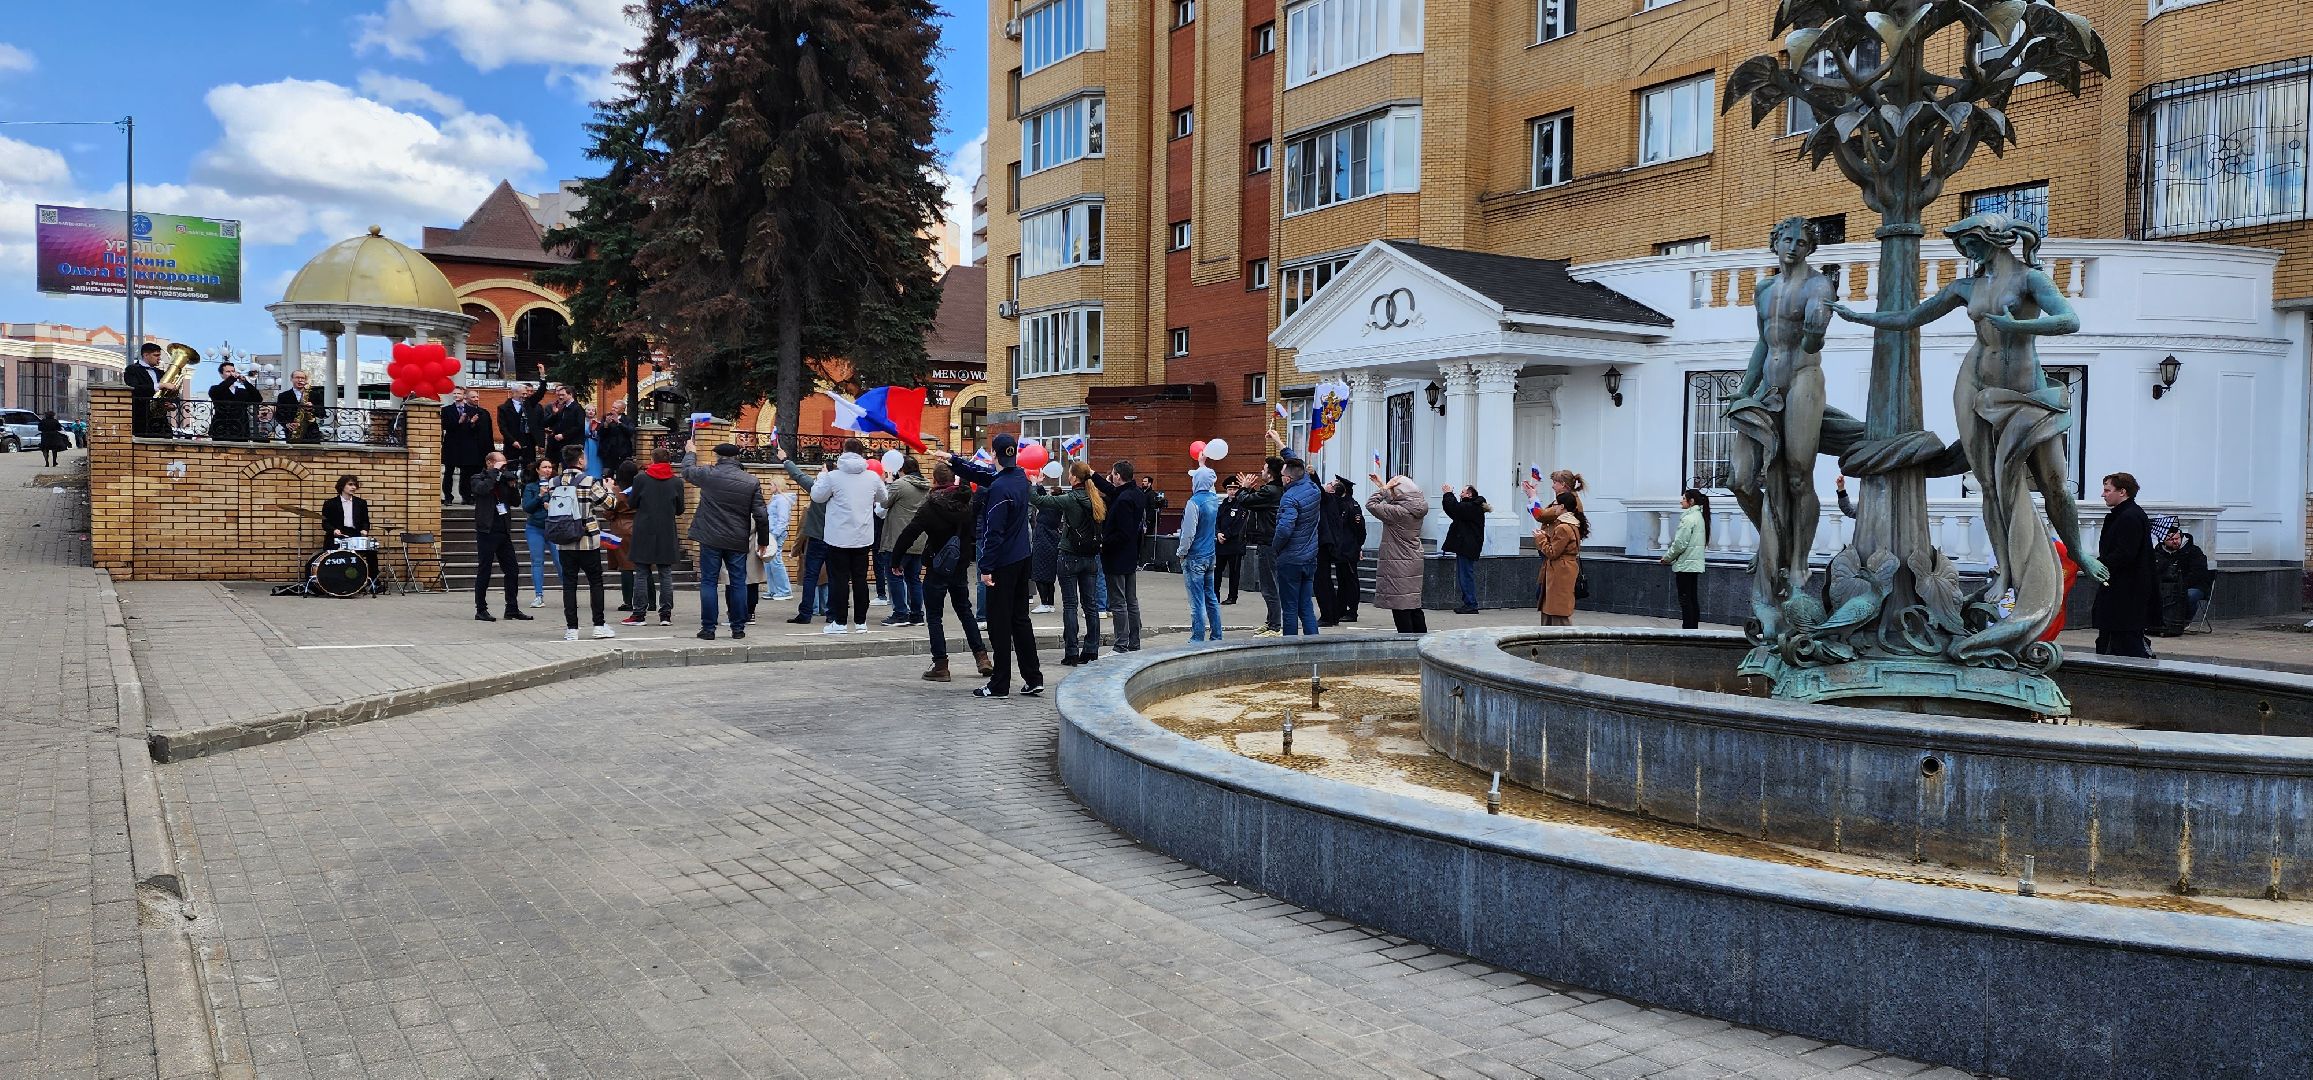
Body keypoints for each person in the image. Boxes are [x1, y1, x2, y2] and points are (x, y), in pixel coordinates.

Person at [1834, 212, 2104, 665]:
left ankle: (2077, 550)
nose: (1966, 253)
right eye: (1962, 246)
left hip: (2025, 391)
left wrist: (2019, 327)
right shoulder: (1967, 288)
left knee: (2055, 481)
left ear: (1994, 239)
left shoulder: (2029, 280)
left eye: (1971, 244)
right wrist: (1859, 316)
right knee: (1990, 484)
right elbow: (1910, 316)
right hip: (1973, 387)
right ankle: (2006, 573)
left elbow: (2069, 320)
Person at [943, 435, 1043, 698]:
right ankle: (1033, 677)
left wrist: (985, 568)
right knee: (1021, 620)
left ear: (994, 455)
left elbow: (994, 533)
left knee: (999, 624)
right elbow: (985, 475)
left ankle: (999, 684)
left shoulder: (999, 489)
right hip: (1023, 557)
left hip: (1004, 563)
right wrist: (953, 461)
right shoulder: (1019, 477)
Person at [892, 463, 993, 681]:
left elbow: (909, 533)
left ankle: (941, 665)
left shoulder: (930, 506)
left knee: (935, 616)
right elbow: (973, 534)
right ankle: (982, 657)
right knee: (965, 611)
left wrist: (896, 559)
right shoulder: (967, 503)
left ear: (935, 481)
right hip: (960, 565)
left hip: (938, 566)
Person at [681, 441, 770, 640]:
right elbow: (762, 515)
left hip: (710, 536)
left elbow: (687, 471)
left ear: (718, 457)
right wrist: (762, 541)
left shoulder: (708, 474)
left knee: (709, 582)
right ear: (737, 458)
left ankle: (708, 629)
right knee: (738, 582)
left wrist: (690, 453)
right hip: (737, 538)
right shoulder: (751, 481)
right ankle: (738, 628)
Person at [1031, 462, 1107, 664]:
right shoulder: (1096, 498)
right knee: (1090, 606)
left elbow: (1038, 500)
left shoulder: (1070, 499)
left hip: (1069, 555)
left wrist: (1034, 483)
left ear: (1074, 478)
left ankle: (1071, 652)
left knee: (1070, 605)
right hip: (1090, 557)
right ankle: (1091, 651)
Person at [811, 438, 887, 635]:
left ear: (843, 452)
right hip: (862, 536)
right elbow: (884, 498)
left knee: (839, 580)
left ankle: (840, 622)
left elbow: (817, 496)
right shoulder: (871, 477)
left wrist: (821, 477)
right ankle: (861, 622)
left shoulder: (833, 477)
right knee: (860, 580)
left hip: (837, 537)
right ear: (862, 454)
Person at [545, 446, 615, 640]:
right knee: (595, 581)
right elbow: (609, 504)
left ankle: (572, 629)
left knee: (569, 584)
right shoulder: (589, 481)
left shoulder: (554, 482)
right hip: (587, 539)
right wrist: (609, 490)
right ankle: (599, 625)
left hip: (564, 540)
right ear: (581, 461)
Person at [2093, 472, 2158, 657]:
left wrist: (2097, 565)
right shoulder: (2124, 515)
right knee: (2113, 638)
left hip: (2126, 593)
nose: (2103, 494)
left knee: (2126, 641)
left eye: (2107, 490)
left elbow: (2124, 554)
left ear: (2122, 492)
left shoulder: (2129, 516)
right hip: (2121, 591)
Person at [468, 452, 535, 623]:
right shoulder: (478, 477)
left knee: (512, 570)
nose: (503, 468)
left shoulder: (505, 479)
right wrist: (494, 474)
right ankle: (481, 609)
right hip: (486, 531)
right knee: (485, 570)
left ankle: (511, 608)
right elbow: (482, 490)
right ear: (489, 463)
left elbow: (515, 502)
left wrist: (512, 485)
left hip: (503, 532)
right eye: (500, 464)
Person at [624, 446, 685, 627]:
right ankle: (665, 615)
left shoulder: (641, 478)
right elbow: (680, 509)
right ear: (668, 461)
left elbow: (632, 502)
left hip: (644, 529)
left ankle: (639, 614)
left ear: (653, 459)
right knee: (665, 573)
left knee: (641, 572)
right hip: (666, 530)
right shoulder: (676, 482)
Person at [1269, 430, 1322, 636]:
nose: (1281, 478)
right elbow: (1295, 462)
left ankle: (1289, 648)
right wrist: (1279, 442)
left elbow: (1285, 529)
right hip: (1310, 558)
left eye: (1282, 476)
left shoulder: (1289, 498)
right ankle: (1314, 647)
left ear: (1288, 479)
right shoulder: (1311, 487)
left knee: (1289, 609)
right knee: (1306, 607)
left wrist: (1275, 549)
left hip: (1291, 559)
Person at [1364, 473, 1430, 634]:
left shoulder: (1399, 513)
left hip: (1398, 561)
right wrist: (1382, 486)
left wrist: (1384, 489)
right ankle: (1422, 641)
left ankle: (1406, 644)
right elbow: (1397, 501)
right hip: (1412, 559)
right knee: (1413, 605)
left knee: (1400, 606)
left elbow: (1371, 504)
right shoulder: (1416, 507)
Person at [776, 447, 835, 624]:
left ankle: (806, 613)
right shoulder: (841, 490)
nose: (820, 471)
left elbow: (799, 476)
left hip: (817, 538)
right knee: (834, 576)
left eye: (823, 468)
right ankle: (832, 613)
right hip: (836, 538)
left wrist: (785, 460)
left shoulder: (818, 489)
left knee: (811, 576)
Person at [1094, 461, 1146, 652]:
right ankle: (1134, 642)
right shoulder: (1135, 493)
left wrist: (1103, 542)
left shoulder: (1124, 500)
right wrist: (1092, 474)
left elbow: (1123, 533)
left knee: (1119, 602)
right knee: (1131, 600)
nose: (1111, 477)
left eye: (1113, 474)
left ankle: (1120, 644)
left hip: (1117, 557)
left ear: (1117, 476)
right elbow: (1110, 489)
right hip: (1130, 555)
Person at [1236, 456, 1286, 634]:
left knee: (1269, 585)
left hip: (1268, 542)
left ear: (1271, 473)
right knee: (1269, 584)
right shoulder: (1274, 490)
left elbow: (1246, 501)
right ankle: (1271, 620)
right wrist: (1247, 490)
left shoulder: (1271, 491)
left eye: (1264, 469)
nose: (1261, 471)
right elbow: (1253, 502)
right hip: (1270, 540)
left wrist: (1245, 488)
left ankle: (1275, 626)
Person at [879, 457, 931, 627]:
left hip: (897, 540)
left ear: (901, 469)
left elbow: (884, 502)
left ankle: (900, 613)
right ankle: (917, 615)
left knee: (894, 576)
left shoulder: (900, 485)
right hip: (918, 540)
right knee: (914, 578)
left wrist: (887, 482)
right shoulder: (927, 487)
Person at [1177, 464, 1224, 643]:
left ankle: (1197, 638)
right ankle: (1216, 635)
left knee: (1196, 601)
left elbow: (1188, 533)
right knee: (1210, 596)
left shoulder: (1194, 503)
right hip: (1209, 554)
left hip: (1194, 556)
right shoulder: (1213, 499)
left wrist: (1181, 552)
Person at [1317, 477, 1365, 626]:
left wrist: (1359, 547)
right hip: (1339, 550)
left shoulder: (1352, 505)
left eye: (1335, 484)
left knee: (1350, 581)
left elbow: (1359, 530)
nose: (1332, 485)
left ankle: (1352, 611)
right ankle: (1340, 609)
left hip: (1349, 550)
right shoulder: (1336, 503)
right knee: (1341, 581)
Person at [1662, 488, 1710, 630]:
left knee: (1685, 599)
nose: (1681, 501)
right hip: (1693, 564)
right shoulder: (1700, 517)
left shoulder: (1689, 519)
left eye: (1683, 498)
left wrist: (1667, 558)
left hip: (1685, 564)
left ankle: (1688, 629)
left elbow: (1680, 544)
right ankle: (1693, 628)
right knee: (1692, 598)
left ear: (1691, 501)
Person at [2153, 527, 2213, 636]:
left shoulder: (2193, 551)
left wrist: (2181, 584)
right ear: (2163, 541)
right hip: (2166, 586)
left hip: (2194, 585)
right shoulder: (2158, 553)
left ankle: (2184, 621)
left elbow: (2198, 572)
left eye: (2177, 538)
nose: (2175, 542)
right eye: (2171, 540)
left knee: (2189, 595)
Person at [320, 474, 380, 583]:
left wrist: (365, 530)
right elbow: (325, 523)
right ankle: (334, 582)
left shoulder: (361, 503)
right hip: (337, 536)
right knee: (335, 555)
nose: (353, 487)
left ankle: (373, 582)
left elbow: (365, 521)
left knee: (371, 551)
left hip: (354, 535)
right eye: (350, 484)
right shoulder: (330, 503)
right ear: (342, 486)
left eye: (355, 485)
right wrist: (333, 530)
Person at [1441, 484, 1489, 614]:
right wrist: (1447, 497)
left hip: (1468, 546)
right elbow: (1452, 510)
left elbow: (1455, 508)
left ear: (1469, 494)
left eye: (1463, 492)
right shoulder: (1469, 507)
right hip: (1465, 546)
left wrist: (1448, 493)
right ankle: (1468, 602)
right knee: (1464, 575)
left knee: (1466, 575)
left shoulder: (1472, 507)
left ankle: (1471, 604)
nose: (1460, 494)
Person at [601, 460, 641, 612]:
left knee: (626, 566)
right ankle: (651, 601)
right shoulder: (640, 488)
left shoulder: (617, 491)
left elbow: (608, 512)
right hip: (639, 526)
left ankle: (628, 601)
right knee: (644, 565)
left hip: (620, 528)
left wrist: (609, 490)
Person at [1534, 502, 1582, 626]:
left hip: (1560, 569)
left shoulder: (1563, 527)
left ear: (1562, 506)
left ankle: (1559, 636)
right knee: (1554, 604)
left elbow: (1552, 552)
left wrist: (1540, 539)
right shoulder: (1572, 524)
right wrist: (1547, 537)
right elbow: (1561, 546)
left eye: (1555, 504)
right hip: (1564, 567)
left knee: (1556, 606)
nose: (1552, 508)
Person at [519, 458, 557, 609]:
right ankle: (538, 595)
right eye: (544, 467)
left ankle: (569, 592)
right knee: (537, 561)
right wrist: (540, 496)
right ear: (537, 470)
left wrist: (552, 505)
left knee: (560, 561)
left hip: (554, 528)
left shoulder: (558, 485)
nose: (547, 470)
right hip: (535, 527)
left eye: (550, 467)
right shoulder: (530, 487)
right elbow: (527, 507)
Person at [441, 389, 490, 504]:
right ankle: (448, 496)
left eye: (459, 393)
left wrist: (471, 423)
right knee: (449, 472)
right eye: (454, 393)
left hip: (466, 446)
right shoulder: (446, 410)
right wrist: (459, 422)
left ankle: (466, 496)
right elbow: (446, 426)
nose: (457, 395)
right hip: (452, 445)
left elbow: (475, 429)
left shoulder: (472, 410)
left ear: (464, 396)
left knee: (466, 472)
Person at [207, 362, 263, 442]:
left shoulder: (241, 392)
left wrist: (245, 382)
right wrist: (232, 378)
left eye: (233, 371)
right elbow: (218, 391)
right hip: (221, 429)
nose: (231, 374)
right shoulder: (215, 389)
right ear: (221, 374)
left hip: (240, 429)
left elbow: (258, 398)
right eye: (228, 372)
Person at [1216, 477, 1249, 604]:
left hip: (1235, 544)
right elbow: (1217, 520)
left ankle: (1232, 596)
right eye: (1230, 489)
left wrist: (1226, 535)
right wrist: (1218, 533)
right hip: (1221, 543)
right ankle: (1215, 595)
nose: (1232, 492)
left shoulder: (1242, 504)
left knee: (1234, 573)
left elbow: (1238, 524)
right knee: (1218, 571)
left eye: (1235, 489)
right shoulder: (1224, 504)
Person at [1029, 486, 1061, 613]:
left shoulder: (1048, 508)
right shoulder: (1057, 508)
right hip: (1052, 543)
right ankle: (1050, 603)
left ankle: (1044, 603)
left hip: (1042, 543)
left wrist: (1035, 485)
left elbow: (1038, 500)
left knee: (1039, 574)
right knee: (1049, 577)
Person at [497, 382, 540, 473]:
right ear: (514, 393)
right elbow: (503, 427)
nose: (525, 396)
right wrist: (512, 441)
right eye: (523, 393)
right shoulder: (503, 408)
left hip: (528, 444)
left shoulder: (529, 406)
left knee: (529, 470)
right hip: (511, 445)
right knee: (511, 470)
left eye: (526, 394)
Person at [126, 342, 166, 437]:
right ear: (146, 355)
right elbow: (134, 388)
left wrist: (171, 404)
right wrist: (159, 386)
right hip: (141, 418)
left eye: (159, 355)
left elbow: (167, 393)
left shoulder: (160, 372)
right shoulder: (132, 369)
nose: (159, 358)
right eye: (156, 355)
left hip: (160, 420)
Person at [275, 369, 322, 444]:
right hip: (293, 432)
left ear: (305, 380)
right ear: (291, 379)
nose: (300, 380)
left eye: (302, 378)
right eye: (297, 377)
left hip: (312, 433)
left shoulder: (315, 395)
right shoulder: (283, 396)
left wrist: (312, 408)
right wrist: (287, 424)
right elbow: (278, 414)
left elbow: (322, 414)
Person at [597, 399, 635, 476]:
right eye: (613, 407)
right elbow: (600, 433)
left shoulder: (627, 419)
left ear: (622, 410)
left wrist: (619, 422)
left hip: (622, 452)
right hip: (608, 452)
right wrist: (606, 424)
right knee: (607, 474)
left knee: (622, 474)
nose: (613, 409)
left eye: (616, 408)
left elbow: (630, 432)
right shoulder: (606, 417)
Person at [1139, 475, 1169, 571]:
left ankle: (1146, 560)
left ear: (1150, 483)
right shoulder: (1142, 493)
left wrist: (1148, 521)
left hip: (1148, 523)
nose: (1143, 483)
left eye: (1145, 481)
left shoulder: (1151, 494)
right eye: (1143, 481)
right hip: (1143, 521)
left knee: (1147, 541)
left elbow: (1152, 509)